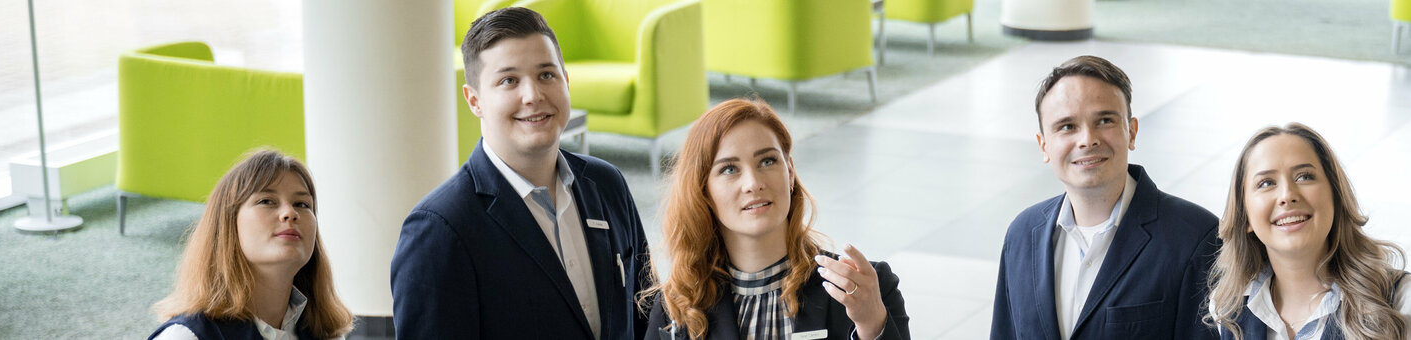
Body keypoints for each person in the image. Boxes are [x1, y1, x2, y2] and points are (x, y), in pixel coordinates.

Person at [390, 7, 653, 340]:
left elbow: (647, 317)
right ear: (474, 101)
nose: (533, 96)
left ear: (566, 81)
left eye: (546, 75)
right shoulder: (438, 232)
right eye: (509, 81)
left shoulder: (606, 184)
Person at [990, 55, 1221, 339]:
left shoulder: (1195, 237)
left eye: (1104, 120)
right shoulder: (1022, 234)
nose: (1088, 139)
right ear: (1044, 145)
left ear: (1131, 132)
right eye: (1067, 126)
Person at [643, 98, 910, 340]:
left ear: (790, 171)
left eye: (767, 161)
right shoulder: (675, 309)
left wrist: (872, 325)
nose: (753, 183)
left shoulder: (863, 289)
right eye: (729, 169)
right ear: (703, 191)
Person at [1201, 123, 1411, 340]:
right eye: (1266, 183)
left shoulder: (1404, 301)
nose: (1287, 195)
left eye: (1304, 177)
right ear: (1245, 215)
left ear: (1335, 196)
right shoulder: (1228, 311)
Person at [150, 149, 353, 340]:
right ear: (228, 223)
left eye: (302, 204)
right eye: (267, 201)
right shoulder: (186, 336)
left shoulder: (326, 333)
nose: (290, 213)